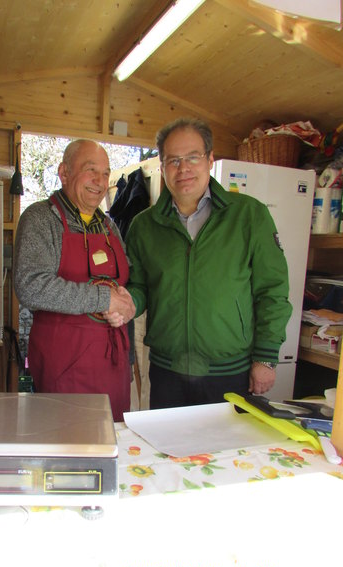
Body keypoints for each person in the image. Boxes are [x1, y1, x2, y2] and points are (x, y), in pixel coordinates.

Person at [123, 117, 292, 409]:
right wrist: (124, 302)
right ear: (162, 167)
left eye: (193, 157)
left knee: (230, 455)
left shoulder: (249, 216)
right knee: (169, 452)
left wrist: (265, 358)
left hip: (231, 374)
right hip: (167, 375)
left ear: (210, 160)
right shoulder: (144, 226)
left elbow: (272, 291)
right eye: (173, 160)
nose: (183, 168)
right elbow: (139, 286)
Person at [13, 139, 135, 421]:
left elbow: (127, 278)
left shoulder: (108, 226)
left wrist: (128, 304)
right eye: (91, 170)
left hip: (111, 364)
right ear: (64, 173)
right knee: (66, 444)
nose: (100, 181)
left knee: (112, 439)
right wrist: (104, 299)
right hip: (64, 364)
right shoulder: (41, 219)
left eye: (106, 173)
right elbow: (30, 286)